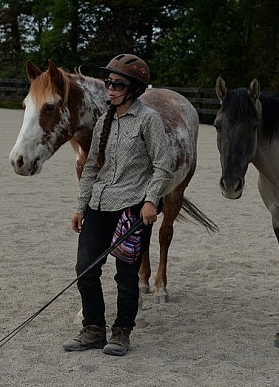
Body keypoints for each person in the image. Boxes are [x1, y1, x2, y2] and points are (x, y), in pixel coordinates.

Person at [62, 54, 173, 356]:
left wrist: (151, 201)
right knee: (85, 268)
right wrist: (80, 206)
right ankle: (93, 328)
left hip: (132, 209)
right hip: (99, 203)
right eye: (109, 82)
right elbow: (92, 169)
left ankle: (122, 332)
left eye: (117, 84)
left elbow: (163, 165)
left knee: (126, 275)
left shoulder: (148, 120)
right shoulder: (103, 121)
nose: (109, 88)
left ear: (134, 88)